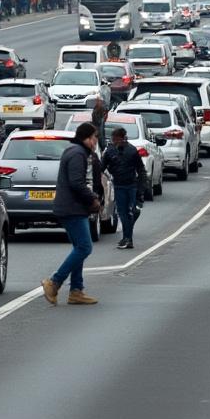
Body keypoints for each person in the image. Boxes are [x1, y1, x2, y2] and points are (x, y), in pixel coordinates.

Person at [41, 123, 102, 306]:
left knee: (79, 248)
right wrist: (93, 199)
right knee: (84, 247)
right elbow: (76, 183)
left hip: (70, 207)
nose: (96, 141)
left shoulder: (74, 150)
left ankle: (76, 291)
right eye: (95, 137)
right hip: (72, 208)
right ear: (87, 138)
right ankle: (54, 282)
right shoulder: (78, 153)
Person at [101, 127, 146, 250]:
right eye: (113, 139)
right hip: (119, 185)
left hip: (131, 185)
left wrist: (141, 188)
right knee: (123, 212)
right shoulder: (110, 151)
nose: (114, 141)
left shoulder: (131, 150)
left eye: (116, 139)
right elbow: (102, 166)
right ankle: (127, 239)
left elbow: (141, 169)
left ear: (122, 138)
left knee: (132, 212)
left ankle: (127, 237)